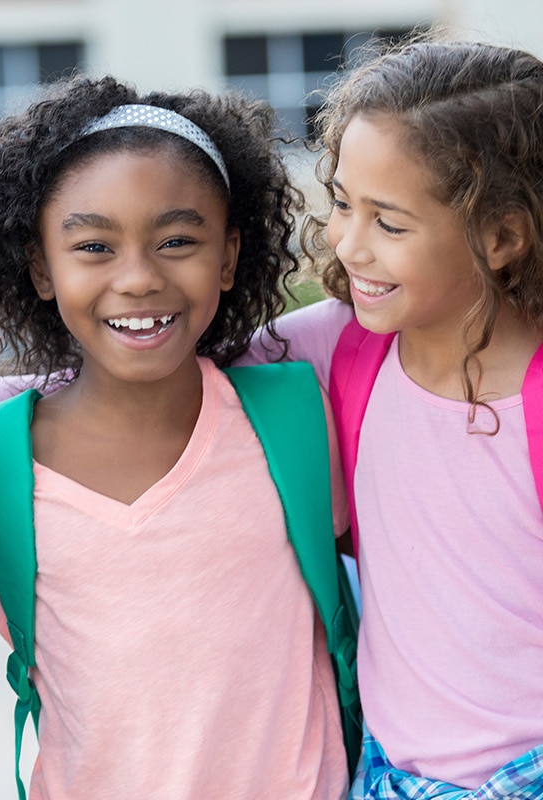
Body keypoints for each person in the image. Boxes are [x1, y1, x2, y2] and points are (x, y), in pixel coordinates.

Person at [0, 75, 350, 798]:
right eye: (93, 247)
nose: (139, 278)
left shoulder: (297, 416)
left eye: (177, 239)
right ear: (41, 270)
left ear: (231, 256)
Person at [242, 39, 543, 798]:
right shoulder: (338, 346)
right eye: (343, 203)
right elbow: (155, 378)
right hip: (392, 777)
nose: (348, 244)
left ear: (505, 236)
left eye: (391, 224)